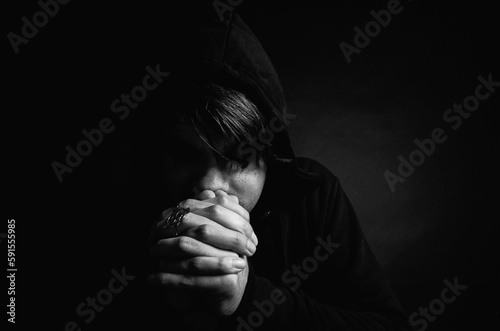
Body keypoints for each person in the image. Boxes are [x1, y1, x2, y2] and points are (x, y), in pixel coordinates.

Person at [129, 11, 414, 331]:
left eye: (241, 159)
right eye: (184, 155)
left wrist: (248, 297)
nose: (209, 188)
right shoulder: (127, 202)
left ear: (270, 163)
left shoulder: (315, 197)